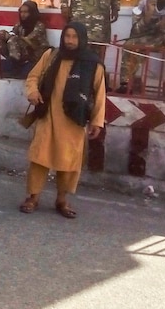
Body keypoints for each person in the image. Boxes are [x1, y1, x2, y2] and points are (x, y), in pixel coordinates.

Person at [20, 22, 105, 218]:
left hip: (73, 120)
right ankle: (33, 197)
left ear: (82, 38)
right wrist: (32, 92)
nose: (70, 40)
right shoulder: (51, 56)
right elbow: (33, 77)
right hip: (48, 115)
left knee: (68, 162)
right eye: (67, 36)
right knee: (39, 157)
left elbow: (100, 93)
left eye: (75, 37)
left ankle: (62, 200)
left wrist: (97, 121)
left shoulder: (92, 63)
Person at [0, 1, 51, 78]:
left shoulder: (39, 26)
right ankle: (9, 65)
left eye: (26, 12)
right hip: (22, 53)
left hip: (35, 54)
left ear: (32, 13)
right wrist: (4, 34)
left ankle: (15, 68)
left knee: (13, 40)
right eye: (21, 12)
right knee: (0, 38)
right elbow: (13, 33)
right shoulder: (20, 25)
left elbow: (28, 40)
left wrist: (10, 36)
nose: (23, 14)